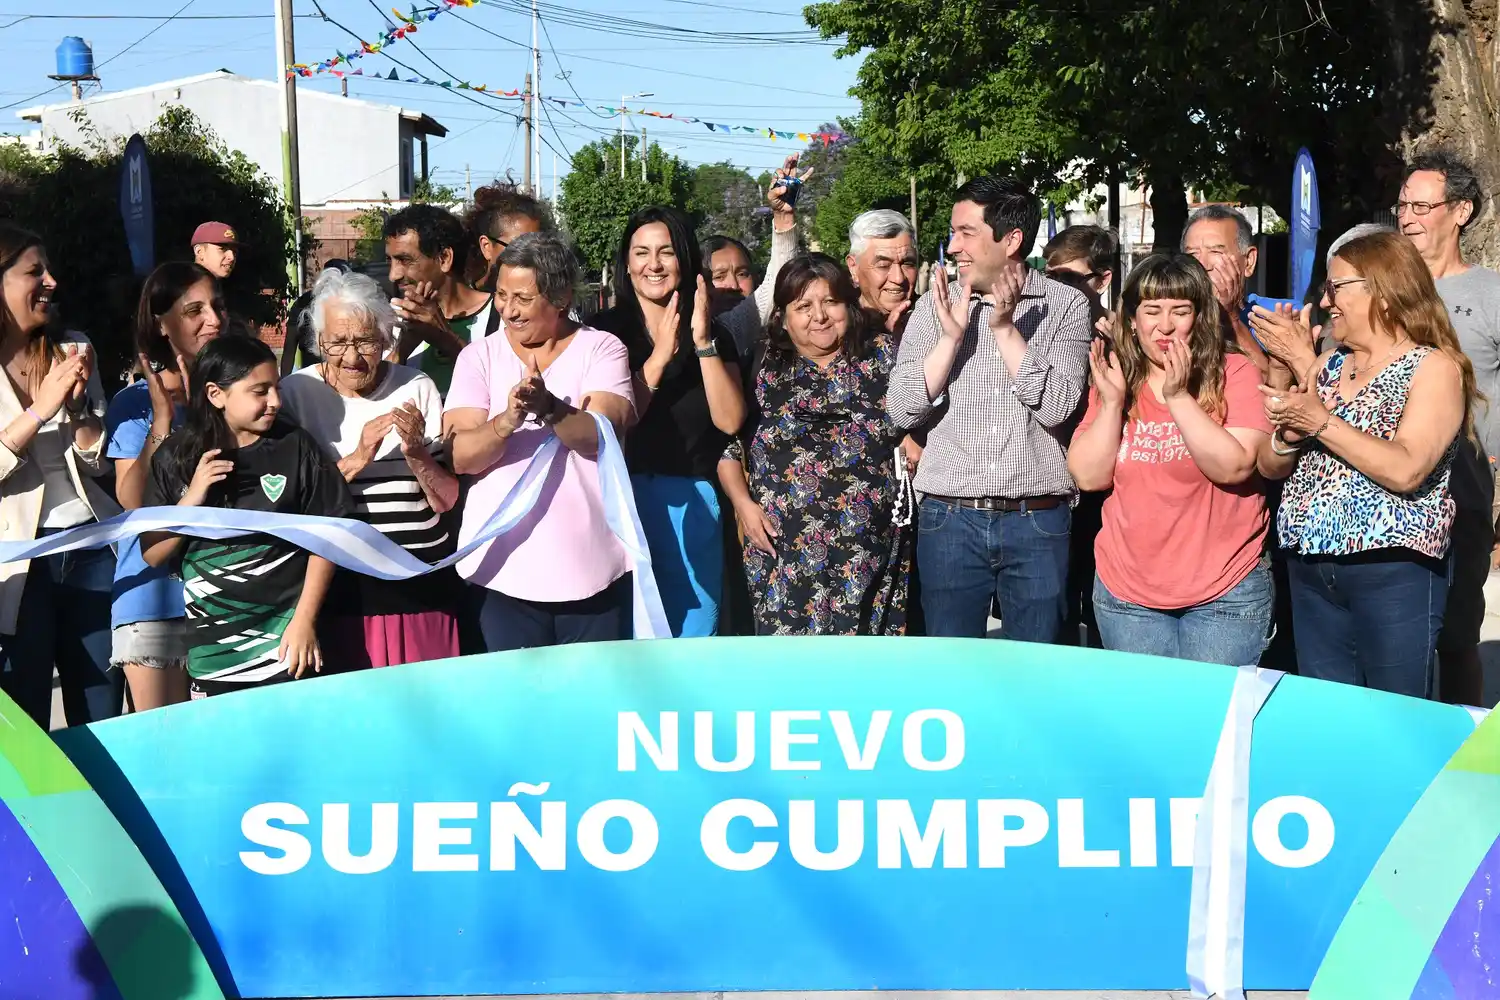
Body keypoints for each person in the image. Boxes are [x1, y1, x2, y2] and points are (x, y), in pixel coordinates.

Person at [1257, 231, 1478, 697]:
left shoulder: (1433, 367)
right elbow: (1271, 465)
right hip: (1311, 566)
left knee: (1394, 716)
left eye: (1336, 287)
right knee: (1328, 715)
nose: (1326, 300)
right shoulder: (1330, 365)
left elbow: (1407, 469)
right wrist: (1288, 434)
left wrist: (1318, 423)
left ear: (1382, 288)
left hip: (1392, 569)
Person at [886, 175, 1092, 642]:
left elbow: (1059, 407)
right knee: (952, 672)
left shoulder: (1064, 305)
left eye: (966, 232)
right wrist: (950, 338)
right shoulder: (931, 307)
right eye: (954, 232)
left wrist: (1003, 329)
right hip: (948, 518)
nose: (953, 246)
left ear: (1012, 240)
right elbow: (901, 411)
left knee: (1038, 672)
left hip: (1037, 519)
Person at [1068, 254, 1273, 663]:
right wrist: (1111, 404)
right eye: (1152, 311)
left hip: (1224, 593)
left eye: (1180, 311)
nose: (1165, 326)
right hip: (1127, 595)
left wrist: (1178, 396)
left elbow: (1233, 467)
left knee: (1210, 722)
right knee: (1144, 725)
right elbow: (1088, 477)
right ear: (1131, 319)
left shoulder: (1234, 373)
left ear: (1200, 315)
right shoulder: (1118, 377)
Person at [444, 233, 636, 651]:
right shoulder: (478, 357)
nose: (508, 310)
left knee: (586, 704)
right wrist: (507, 420)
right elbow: (458, 456)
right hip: (500, 570)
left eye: (523, 299)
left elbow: (604, 436)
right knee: (514, 707)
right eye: (500, 295)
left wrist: (550, 407)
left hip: (591, 568)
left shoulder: (601, 348)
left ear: (562, 296)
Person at [140, 337, 352, 695]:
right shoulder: (176, 457)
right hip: (214, 657)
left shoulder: (295, 446)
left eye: (277, 388)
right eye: (260, 391)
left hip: (288, 647)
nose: (276, 402)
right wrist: (192, 498)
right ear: (215, 394)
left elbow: (328, 537)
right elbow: (153, 553)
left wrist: (304, 620)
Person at [280, 268, 463, 667]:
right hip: (336, 587)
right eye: (337, 342)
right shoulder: (296, 394)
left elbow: (447, 501)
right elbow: (284, 502)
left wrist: (416, 453)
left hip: (417, 580)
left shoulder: (417, 386)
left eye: (364, 341)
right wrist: (356, 458)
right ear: (318, 342)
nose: (351, 356)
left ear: (385, 336)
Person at [719, 254, 910, 634]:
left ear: (849, 306)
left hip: (868, 556)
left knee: (864, 676)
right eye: (803, 306)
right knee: (790, 678)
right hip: (781, 558)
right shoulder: (762, 366)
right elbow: (729, 452)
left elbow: (919, 417)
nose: (819, 316)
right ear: (784, 318)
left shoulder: (884, 357)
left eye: (830, 302)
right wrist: (743, 506)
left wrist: (912, 438)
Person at [592, 207, 747, 638]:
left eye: (666, 252)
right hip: (619, 500)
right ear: (627, 262)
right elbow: (612, 425)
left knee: (691, 638)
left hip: (692, 501)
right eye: (641, 253)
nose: (653, 265)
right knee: (625, 639)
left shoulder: (717, 333)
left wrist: (700, 343)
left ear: (685, 259)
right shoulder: (601, 334)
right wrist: (658, 358)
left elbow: (730, 420)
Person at [0, 225, 120, 728]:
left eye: (49, 269)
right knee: (26, 720)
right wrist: (38, 411)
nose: (51, 281)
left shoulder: (74, 349)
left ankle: (110, 807)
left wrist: (81, 419)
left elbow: (101, 464)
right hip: (18, 564)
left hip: (92, 549)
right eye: (34, 272)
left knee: (101, 716)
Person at [1397, 151, 1500, 706]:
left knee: (1458, 641)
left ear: (1460, 211)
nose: (1407, 217)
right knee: (1396, 643)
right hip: (1384, 492)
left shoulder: (1490, 294)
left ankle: (1463, 761)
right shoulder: (1377, 290)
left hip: (1466, 492)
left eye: (1421, 205)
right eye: (1402, 206)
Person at [105, 261, 223, 712]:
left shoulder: (234, 394)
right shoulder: (133, 403)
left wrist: (209, 410)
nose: (213, 320)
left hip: (225, 599)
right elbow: (132, 501)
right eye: (195, 309)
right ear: (161, 323)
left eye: (217, 306)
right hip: (152, 599)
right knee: (162, 754)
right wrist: (163, 419)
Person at [1045, 224, 1118, 647]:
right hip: (1050, 495)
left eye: (1072, 280)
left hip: (1102, 500)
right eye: (1053, 279)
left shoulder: (1123, 336)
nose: (1061, 291)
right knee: (1055, 621)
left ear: (1102, 280)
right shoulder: (1038, 330)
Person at [701, 154, 810, 358]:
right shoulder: (677, 331)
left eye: (743, 274)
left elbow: (778, 279)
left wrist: (783, 216)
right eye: (718, 276)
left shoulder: (741, 326)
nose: (733, 285)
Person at [384, 204, 492, 396]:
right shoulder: (392, 319)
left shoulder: (501, 315)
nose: (393, 275)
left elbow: (506, 391)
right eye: (390, 261)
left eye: (405, 260)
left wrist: (445, 338)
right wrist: (402, 349)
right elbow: (375, 397)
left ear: (444, 258)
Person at [1182, 206, 1269, 376]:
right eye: (1192, 254)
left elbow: (1272, 383)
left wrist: (1230, 315)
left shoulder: (1274, 315)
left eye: (1216, 251)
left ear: (1249, 261)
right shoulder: (1168, 315)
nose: (1202, 265)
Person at [464, 181, 548, 289]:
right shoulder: (461, 302)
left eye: (538, 249)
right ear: (486, 247)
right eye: (518, 248)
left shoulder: (547, 300)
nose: (530, 257)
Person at [846, 209, 919, 331]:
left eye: (907, 263)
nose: (898, 278)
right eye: (883, 265)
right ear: (853, 267)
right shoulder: (836, 326)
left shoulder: (935, 317)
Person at [281, 258, 352, 377]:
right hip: (314, 376)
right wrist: (283, 383)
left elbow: (289, 347)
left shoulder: (352, 303)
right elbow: (290, 346)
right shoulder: (303, 304)